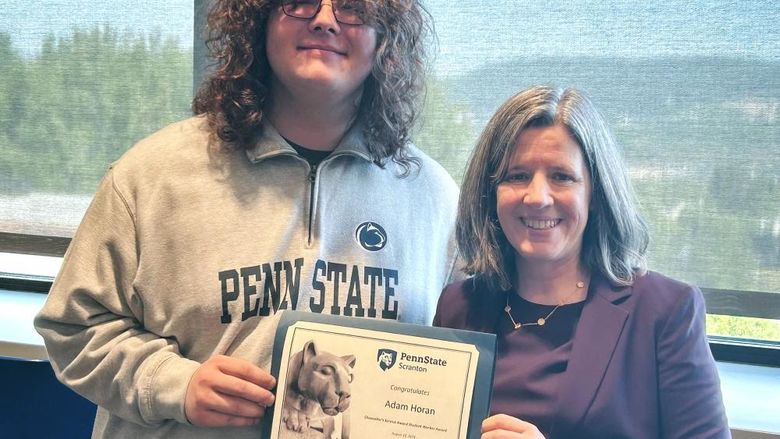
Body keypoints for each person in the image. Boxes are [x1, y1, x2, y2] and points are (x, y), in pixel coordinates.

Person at [35, 1, 460, 438]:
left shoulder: (435, 197)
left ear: (385, 37)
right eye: (300, 2)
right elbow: (71, 327)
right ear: (258, 21)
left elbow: (455, 368)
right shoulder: (151, 175)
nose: (324, 20)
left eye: (352, 7)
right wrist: (175, 385)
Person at [434, 85, 730, 438]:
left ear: (594, 193)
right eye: (517, 176)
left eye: (561, 176)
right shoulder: (457, 306)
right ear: (490, 192)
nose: (537, 197)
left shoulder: (664, 313)